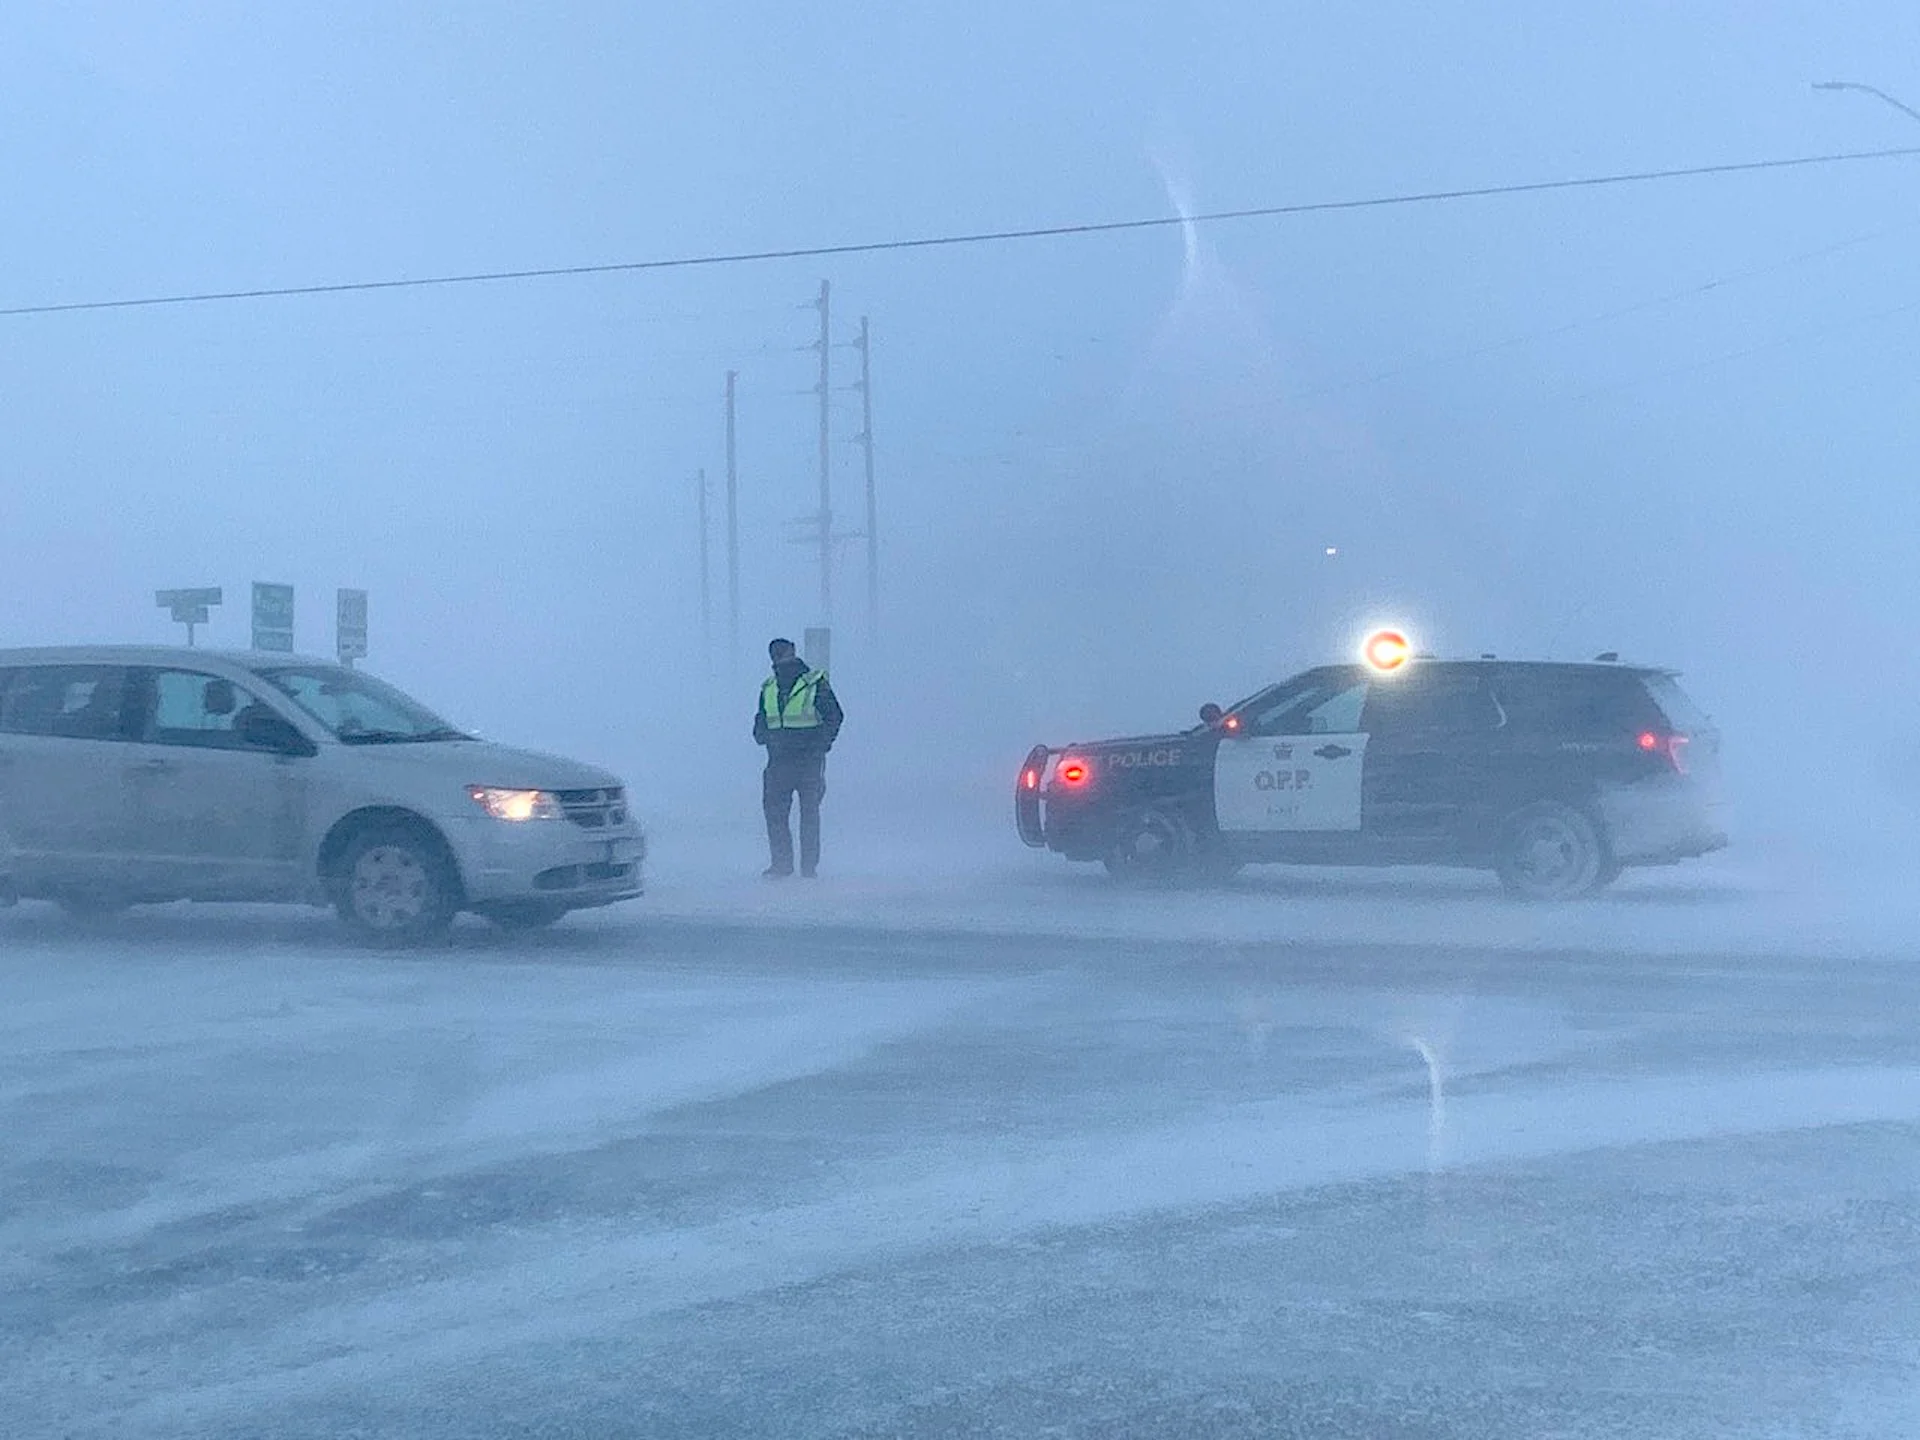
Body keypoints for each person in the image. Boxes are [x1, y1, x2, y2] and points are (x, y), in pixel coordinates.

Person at [752, 637, 844, 878]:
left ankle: (807, 868)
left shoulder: (814, 683)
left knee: (808, 815)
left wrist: (821, 745)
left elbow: (835, 716)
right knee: (776, 814)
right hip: (778, 761)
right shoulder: (769, 687)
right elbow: (761, 721)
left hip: (808, 762)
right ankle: (783, 865)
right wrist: (763, 734)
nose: (783, 657)